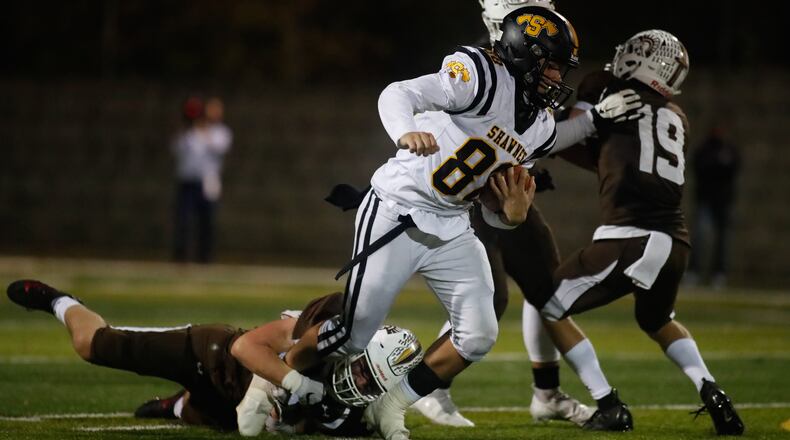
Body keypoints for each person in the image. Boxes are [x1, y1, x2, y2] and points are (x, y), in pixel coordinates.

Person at [281, 7, 643, 440]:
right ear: (522, 55)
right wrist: (404, 133)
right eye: (549, 66)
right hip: (398, 210)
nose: (554, 78)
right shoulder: (479, 75)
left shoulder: (540, 124)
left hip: (452, 223)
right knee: (353, 337)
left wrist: (510, 218)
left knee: (478, 333)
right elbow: (397, 94)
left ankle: (389, 405)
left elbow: (507, 187)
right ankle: (278, 378)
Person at [537, 30, 745, 435]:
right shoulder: (676, 117)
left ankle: (607, 402)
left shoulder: (604, 86)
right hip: (676, 243)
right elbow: (618, 159)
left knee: (547, 303)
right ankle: (712, 391)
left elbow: (571, 136)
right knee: (657, 320)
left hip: (630, 236)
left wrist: (555, 134)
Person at [413, 0, 594, 428]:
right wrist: (591, 122)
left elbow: (536, 138)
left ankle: (547, 393)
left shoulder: (534, 63)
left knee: (549, 288)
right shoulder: (479, 67)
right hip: (467, 200)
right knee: (491, 298)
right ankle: (429, 386)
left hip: (507, 195)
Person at [5, 279, 423, 437]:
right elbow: (245, 348)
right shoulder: (323, 335)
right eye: (363, 372)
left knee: (198, 416)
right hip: (214, 356)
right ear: (356, 351)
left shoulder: (362, 411)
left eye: (372, 384)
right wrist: (298, 383)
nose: (361, 385)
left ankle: (180, 404)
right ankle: (61, 301)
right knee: (92, 345)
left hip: (229, 409)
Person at [172, 96, 232, 263]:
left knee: (207, 221)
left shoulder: (221, 132)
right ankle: (181, 256)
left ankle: (205, 258)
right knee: (183, 219)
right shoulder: (187, 133)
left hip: (208, 182)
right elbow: (177, 149)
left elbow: (219, 148)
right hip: (187, 181)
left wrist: (203, 132)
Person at [686, 123, 741, 288]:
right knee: (700, 237)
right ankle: (693, 272)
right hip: (705, 201)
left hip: (723, 202)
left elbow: (733, 169)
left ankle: (719, 273)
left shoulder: (729, 149)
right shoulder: (704, 149)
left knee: (723, 241)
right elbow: (700, 168)